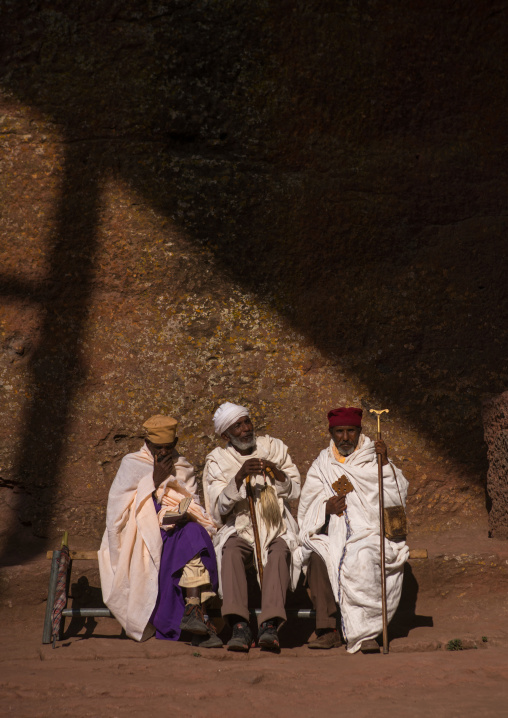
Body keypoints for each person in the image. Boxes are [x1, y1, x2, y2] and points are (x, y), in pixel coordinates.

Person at [98, 414, 221, 647]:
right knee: (196, 539)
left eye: (167, 447)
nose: (163, 453)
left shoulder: (183, 466)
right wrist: (154, 481)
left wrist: (182, 512)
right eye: (157, 448)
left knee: (195, 534)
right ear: (147, 443)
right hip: (142, 534)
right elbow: (118, 511)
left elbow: (192, 501)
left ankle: (196, 615)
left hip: (177, 530)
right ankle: (200, 619)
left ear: (175, 444)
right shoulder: (132, 463)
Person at [297, 407, 409, 653]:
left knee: (364, 556)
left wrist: (386, 463)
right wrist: (325, 508)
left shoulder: (374, 458)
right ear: (331, 432)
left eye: (350, 431)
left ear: (360, 431)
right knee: (317, 557)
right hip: (333, 533)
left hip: (370, 531)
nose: (345, 437)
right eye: (340, 432)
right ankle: (328, 630)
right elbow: (306, 508)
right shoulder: (321, 465)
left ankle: (367, 633)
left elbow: (396, 497)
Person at [203, 402, 301, 652]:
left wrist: (277, 473)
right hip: (240, 524)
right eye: (238, 426)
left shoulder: (273, 447)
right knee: (232, 551)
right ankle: (239, 624)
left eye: (247, 422)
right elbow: (217, 509)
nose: (246, 429)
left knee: (279, 551)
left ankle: (269, 625)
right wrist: (238, 478)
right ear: (226, 435)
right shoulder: (218, 460)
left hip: (275, 522)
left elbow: (295, 488)